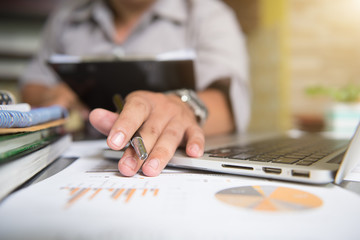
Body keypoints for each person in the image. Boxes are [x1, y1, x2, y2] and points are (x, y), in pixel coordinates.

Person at [20, 0, 250, 177]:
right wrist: (57, 94)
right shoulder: (65, 17)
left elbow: (229, 105)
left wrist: (181, 107)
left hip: (176, 162)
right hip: (77, 160)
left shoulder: (208, 14)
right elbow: (32, 84)